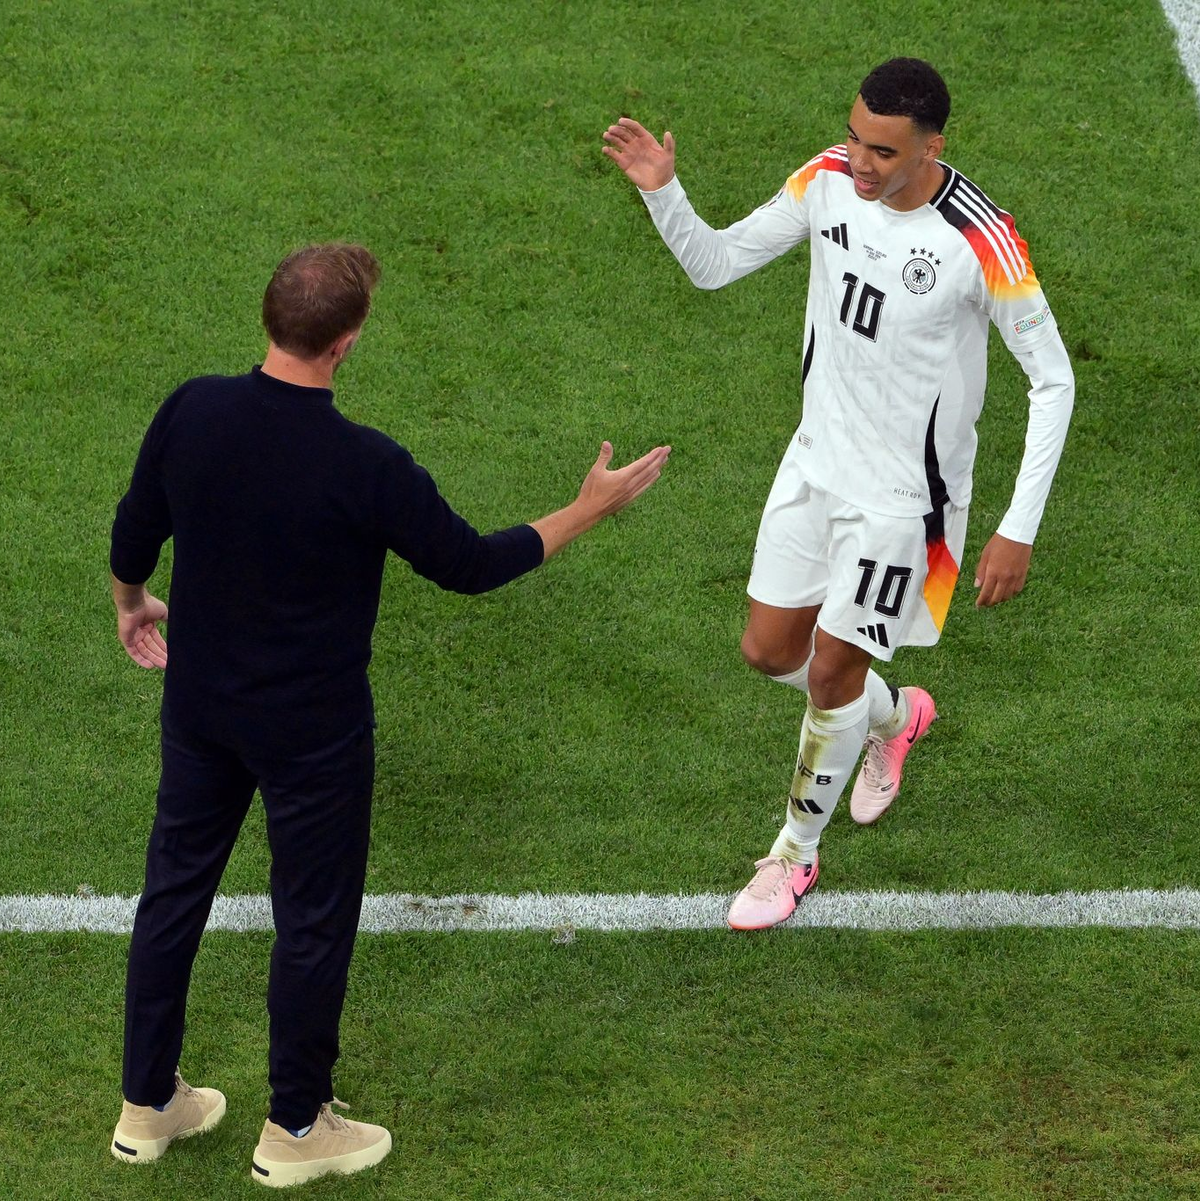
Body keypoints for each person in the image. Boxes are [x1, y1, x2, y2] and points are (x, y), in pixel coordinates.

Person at [108, 242, 670, 1186]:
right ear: (347, 343)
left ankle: (146, 1104)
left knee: (173, 891)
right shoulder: (365, 464)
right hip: (313, 735)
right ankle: (295, 1127)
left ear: (270, 318)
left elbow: (135, 528)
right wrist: (588, 508)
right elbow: (471, 564)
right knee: (312, 919)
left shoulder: (192, 408)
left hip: (200, 705)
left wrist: (131, 602)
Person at [603, 58, 1073, 930]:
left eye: (883, 151)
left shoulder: (982, 238)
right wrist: (664, 192)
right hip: (815, 465)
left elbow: (1054, 380)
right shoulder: (825, 179)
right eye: (855, 137)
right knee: (767, 649)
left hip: (906, 505)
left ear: (932, 147)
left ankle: (793, 854)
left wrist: (1018, 526)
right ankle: (896, 717)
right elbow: (716, 265)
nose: (859, 161)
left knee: (829, 671)